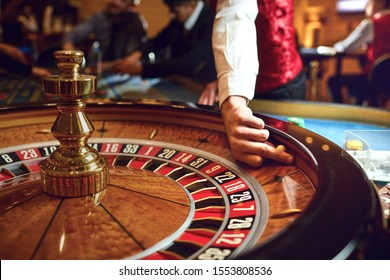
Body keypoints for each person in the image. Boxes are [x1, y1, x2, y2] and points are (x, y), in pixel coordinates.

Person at [198, 0, 302, 167]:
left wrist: (233, 99)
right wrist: (224, 80)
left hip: (280, 81)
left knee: (276, 161)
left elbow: (236, 11)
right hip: (236, 81)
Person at [111, 0, 217, 85]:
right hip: (179, 82)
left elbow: (188, 63)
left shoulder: (211, 23)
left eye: (175, 11)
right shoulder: (180, 18)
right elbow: (158, 41)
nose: (171, 16)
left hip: (201, 88)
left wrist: (142, 69)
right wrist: (135, 55)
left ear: (192, 4)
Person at [327, 0, 390, 105]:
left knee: (333, 82)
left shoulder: (372, 24)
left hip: (374, 79)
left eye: (369, 3)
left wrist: (335, 46)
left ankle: (341, 117)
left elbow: (345, 47)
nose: (366, 7)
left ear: (380, 3)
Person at [62, 0, 147, 63]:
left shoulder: (136, 22)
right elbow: (71, 35)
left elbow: (142, 50)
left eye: (123, 0)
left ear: (132, 5)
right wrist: (70, 51)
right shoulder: (99, 17)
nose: (116, 2)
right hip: (100, 67)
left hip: (126, 70)